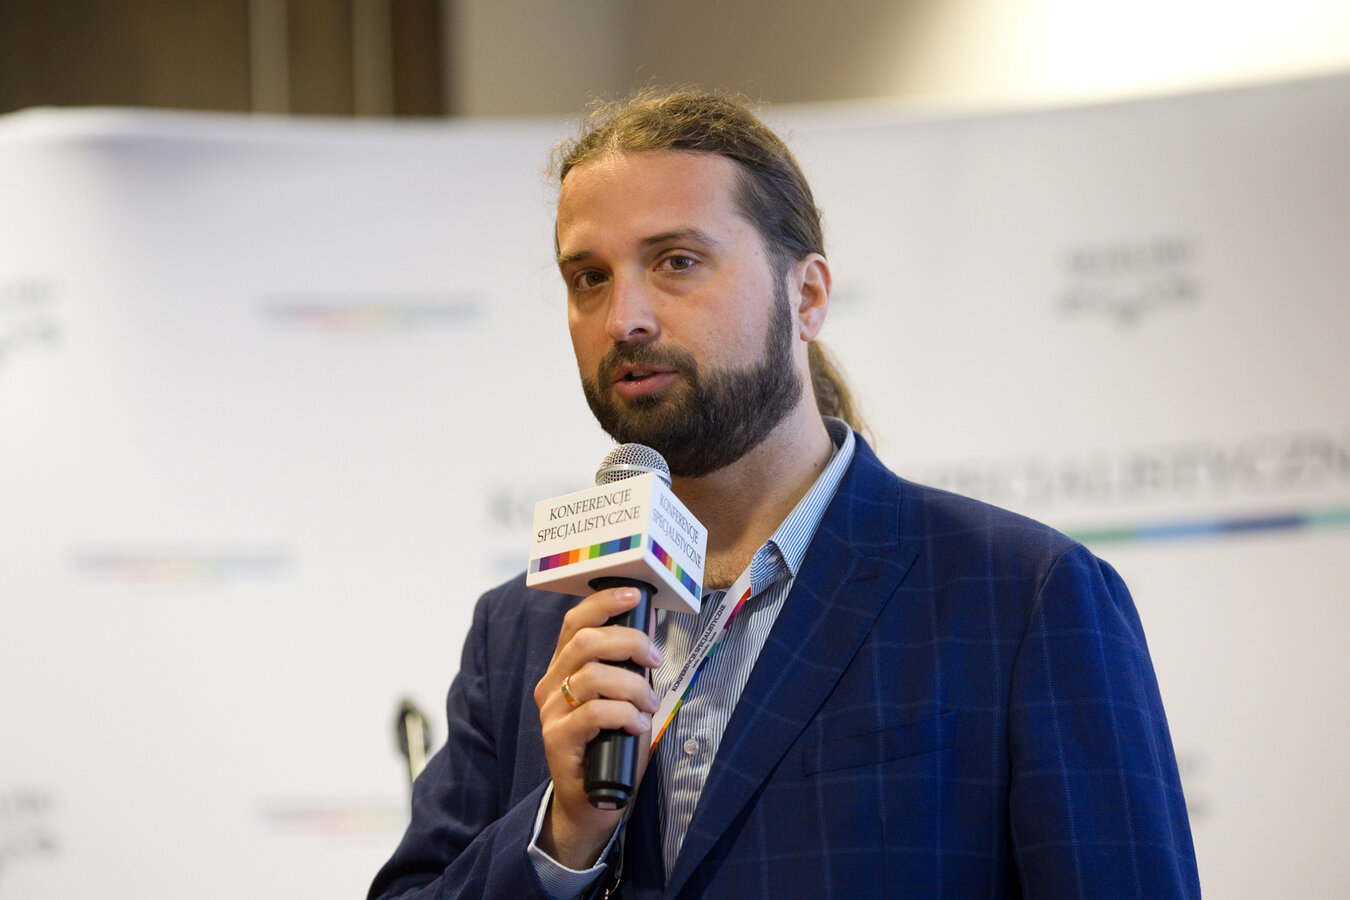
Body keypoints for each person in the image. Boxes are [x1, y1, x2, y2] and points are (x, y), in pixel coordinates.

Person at [369, 88, 1200, 899]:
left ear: (807, 296)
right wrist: (560, 837)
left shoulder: (1020, 596)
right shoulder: (524, 631)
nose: (624, 318)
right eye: (588, 277)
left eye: (676, 262)